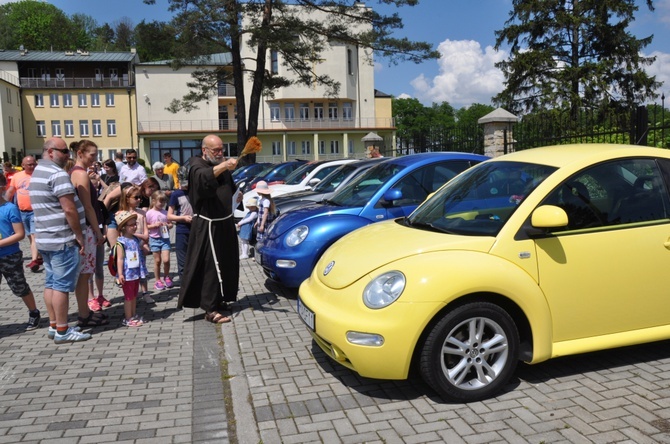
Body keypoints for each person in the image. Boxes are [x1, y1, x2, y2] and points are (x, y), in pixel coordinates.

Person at [30, 137, 91, 344]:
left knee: (51, 283)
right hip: (62, 238)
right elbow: (69, 208)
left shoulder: (37, 171)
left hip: (46, 238)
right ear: (50, 152)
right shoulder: (57, 174)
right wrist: (80, 236)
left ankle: (54, 325)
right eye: (64, 151)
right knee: (62, 286)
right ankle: (63, 331)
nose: (67, 155)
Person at [177, 134, 239, 324]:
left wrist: (238, 196)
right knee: (210, 267)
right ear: (204, 150)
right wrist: (224, 166)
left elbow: (230, 187)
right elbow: (204, 178)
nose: (220, 154)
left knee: (226, 262)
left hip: (225, 221)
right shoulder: (196, 165)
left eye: (222, 150)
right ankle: (210, 309)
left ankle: (221, 299)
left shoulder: (221, 165)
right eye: (216, 150)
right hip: (208, 224)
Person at [68, 140, 109, 323]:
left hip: (82, 228)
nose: (95, 158)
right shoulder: (81, 174)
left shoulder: (74, 172)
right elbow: (87, 207)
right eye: (92, 154)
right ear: (80, 153)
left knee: (84, 274)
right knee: (85, 274)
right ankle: (84, 314)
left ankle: (84, 311)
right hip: (87, 229)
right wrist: (98, 232)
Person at [0, 172, 41, 330]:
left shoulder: (9, 208)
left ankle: (34, 312)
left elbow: (19, 234)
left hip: (10, 256)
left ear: (2, 188)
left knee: (19, 286)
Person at [4, 156, 42, 272]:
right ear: (23, 165)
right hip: (22, 211)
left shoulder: (39, 175)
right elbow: (10, 191)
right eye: (29, 164)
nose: (32, 166)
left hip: (36, 211)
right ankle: (38, 256)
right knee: (31, 236)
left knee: (34, 235)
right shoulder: (17, 176)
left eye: (33, 164)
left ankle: (34, 260)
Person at [115, 211, 148, 327]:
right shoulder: (121, 242)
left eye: (135, 224)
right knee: (128, 297)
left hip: (136, 271)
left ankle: (133, 315)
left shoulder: (135, 239)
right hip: (127, 273)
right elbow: (119, 259)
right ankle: (128, 318)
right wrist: (120, 274)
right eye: (131, 225)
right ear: (123, 227)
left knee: (134, 295)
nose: (134, 227)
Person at [167, 167, 193, 280]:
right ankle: (183, 283)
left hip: (196, 229)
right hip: (182, 230)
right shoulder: (176, 194)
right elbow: (169, 215)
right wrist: (182, 218)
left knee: (194, 258)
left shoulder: (195, 192)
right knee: (182, 259)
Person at [146, 190, 173, 291]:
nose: (162, 204)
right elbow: (146, 226)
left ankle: (166, 276)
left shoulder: (166, 213)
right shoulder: (149, 213)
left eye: (164, 202)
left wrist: (167, 225)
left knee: (166, 260)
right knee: (157, 261)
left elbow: (171, 224)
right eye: (160, 201)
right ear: (153, 201)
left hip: (165, 238)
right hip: (154, 239)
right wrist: (154, 225)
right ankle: (157, 280)